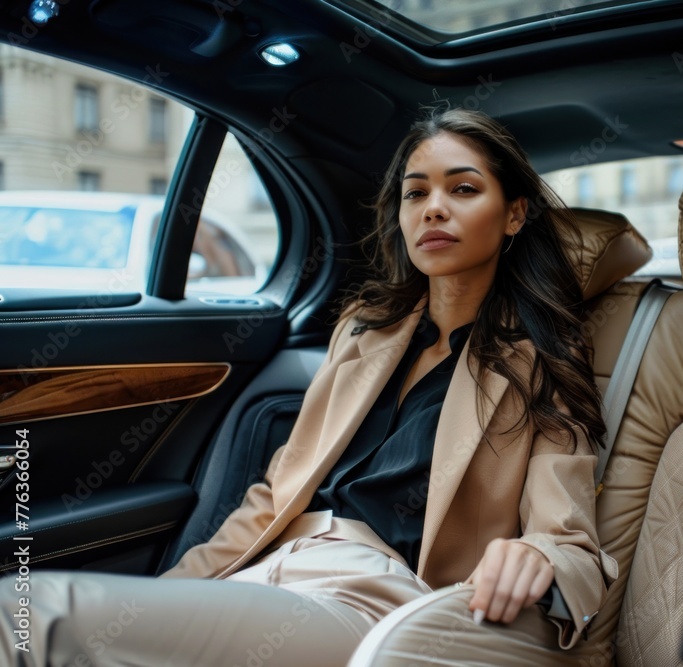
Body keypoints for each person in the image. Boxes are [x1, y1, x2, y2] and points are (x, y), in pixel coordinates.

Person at [0, 107, 615, 666]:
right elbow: (273, 496)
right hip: (270, 571)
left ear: (513, 213)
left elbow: (566, 537)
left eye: (463, 189)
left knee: (27, 612)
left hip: (374, 602)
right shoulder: (364, 332)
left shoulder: (543, 360)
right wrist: (165, 595)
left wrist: (537, 557)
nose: (432, 208)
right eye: (415, 193)